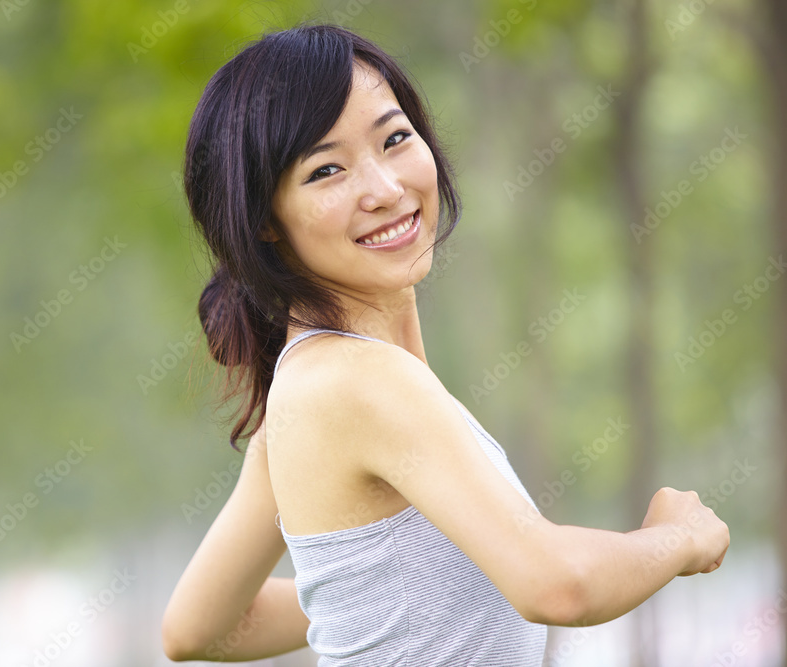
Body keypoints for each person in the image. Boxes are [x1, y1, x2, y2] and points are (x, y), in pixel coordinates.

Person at [161, 22, 730, 665]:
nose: (384, 188)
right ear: (263, 220)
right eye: (326, 170)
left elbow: (198, 628)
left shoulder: (309, 394)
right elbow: (558, 584)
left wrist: (372, 592)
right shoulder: (359, 381)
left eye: (395, 139)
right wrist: (676, 539)